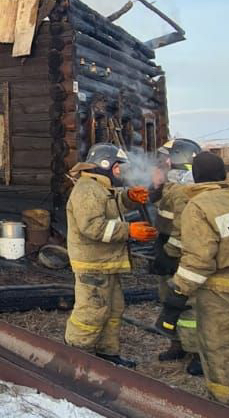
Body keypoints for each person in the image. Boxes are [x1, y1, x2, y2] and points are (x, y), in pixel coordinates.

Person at [154, 152, 229, 409]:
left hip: (220, 290)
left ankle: (228, 405)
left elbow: (199, 259)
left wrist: (178, 292)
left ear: (195, 176)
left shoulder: (200, 205)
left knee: (220, 348)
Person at [65, 143, 155, 368]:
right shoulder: (86, 189)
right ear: (104, 165)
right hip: (92, 264)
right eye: (117, 167)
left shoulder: (101, 187)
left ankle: (107, 354)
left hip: (107, 263)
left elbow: (111, 205)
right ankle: (75, 358)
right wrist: (130, 231)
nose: (119, 172)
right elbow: (92, 227)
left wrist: (129, 198)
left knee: (114, 309)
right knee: (91, 312)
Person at [149, 138, 202, 360]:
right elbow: (158, 207)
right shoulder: (172, 187)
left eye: (164, 159)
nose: (161, 163)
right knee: (168, 298)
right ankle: (178, 343)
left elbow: (182, 230)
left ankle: (196, 351)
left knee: (187, 304)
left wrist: (170, 254)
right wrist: (156, 186)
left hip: (179, 254)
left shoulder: (183, 190)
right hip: (167, 246)